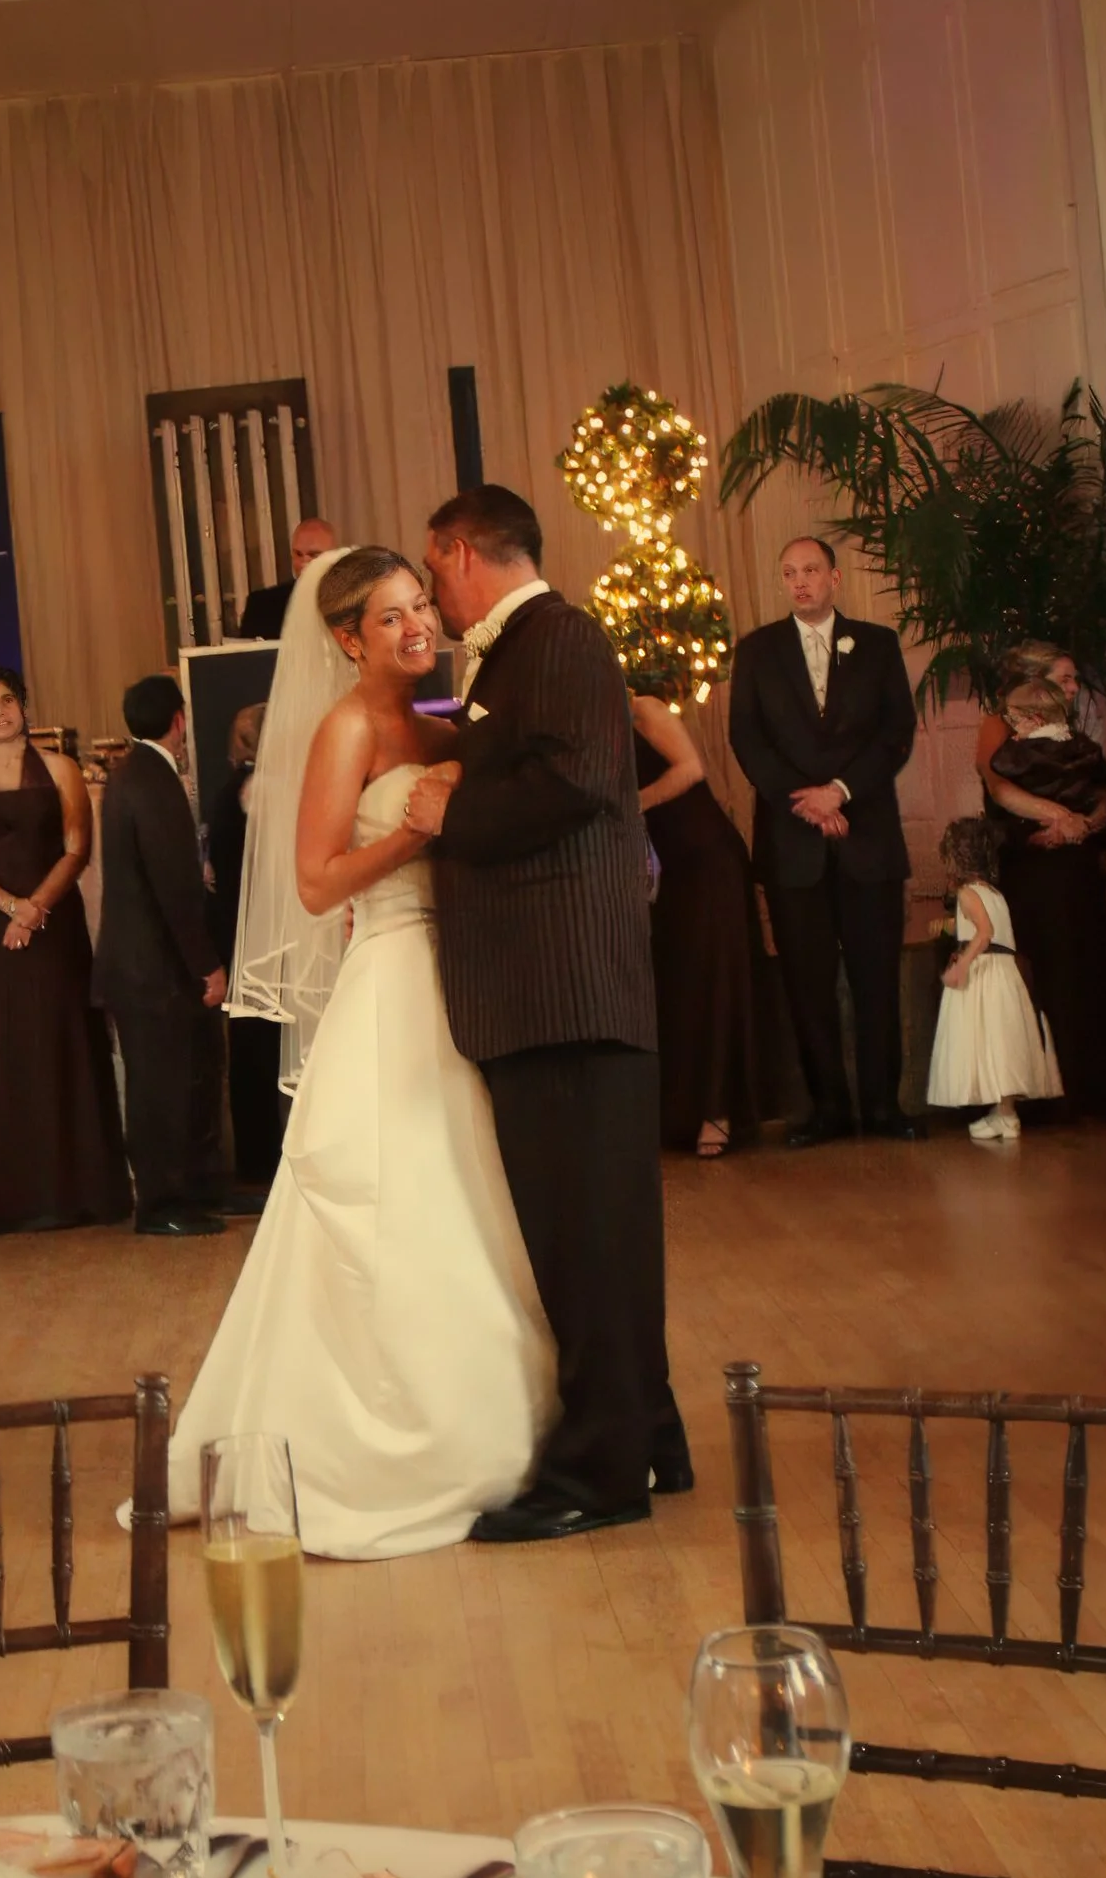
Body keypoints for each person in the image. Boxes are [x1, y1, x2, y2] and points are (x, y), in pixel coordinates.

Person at [168, 547, 554, 1556]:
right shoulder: (344, 727)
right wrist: (421, 833)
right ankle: (381, 1440)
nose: (417, 625)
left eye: (422, 604)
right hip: (390, 973)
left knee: (473, 1196)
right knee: (394, 1198)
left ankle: (496, 1414)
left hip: (457, 974)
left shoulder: (438, 714)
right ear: (346, 640)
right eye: (389, 617)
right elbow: (314, 882)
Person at [409, 484, 687, 1540]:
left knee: (586, 1237)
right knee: (602, 1234)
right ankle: (647, 1438)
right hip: (551, 990)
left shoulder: (557, 637)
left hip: (563, 986)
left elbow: (573, 780)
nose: (433, 593)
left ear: (459, 549)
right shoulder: (521, 650)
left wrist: (451, 809)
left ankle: (596, 1478)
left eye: (435, 571)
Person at [728, 535, 920, 1144]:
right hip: (793, 843)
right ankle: (828, 1109)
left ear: (835, 578)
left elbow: (896, 732)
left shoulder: (878, 644)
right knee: (807, 984)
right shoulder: (757, 650)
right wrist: (807, 803)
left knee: (875, 979)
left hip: (867, 836)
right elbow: (748, 740)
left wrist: (840, 791)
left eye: (811, 570)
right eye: (789, 573)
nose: (800, 582)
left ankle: (883, 1107)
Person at [0, 666, 130, 1237]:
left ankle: (77, 1193)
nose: (1, 713)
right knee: (0, 1050)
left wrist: (35, 908)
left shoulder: (61, 768)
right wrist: (10, 908)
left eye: (9, 701)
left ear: (24, 706)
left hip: (53, 926)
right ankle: (8, 1201)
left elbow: (77, 848)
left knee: (61, 1041)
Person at [978, 644, 1106, 1119]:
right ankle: (1052, 1097)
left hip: (1076, 866)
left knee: (1088, 969)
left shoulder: (1073, 734)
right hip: (1030, 868)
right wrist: (1061, 816)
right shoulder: (999, 725)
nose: (1073, 689)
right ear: (1034, 682)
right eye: (1064, 679)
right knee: (1047, 973)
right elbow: (999, 788)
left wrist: (1082, 826)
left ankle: (1099, 1091)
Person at [94, 674, 228, 1237]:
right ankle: (161, 1205)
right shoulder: (156, 780)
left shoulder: (129, 776)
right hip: (151, 969)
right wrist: (208, 965)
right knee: (159, 1088)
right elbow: (175, 886)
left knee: (165, 1083)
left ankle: (181, 1196)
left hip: (136, 966)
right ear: (178, 720)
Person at [632, 690, 759, 1157]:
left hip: (710, 859)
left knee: (715, 982)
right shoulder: (592, 728)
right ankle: (685, 1113)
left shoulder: (644, 708)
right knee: (682, 986)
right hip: (674, 870)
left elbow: (691, 769)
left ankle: (718, 1111)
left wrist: (631, 801)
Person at [926, 815, 1061, 1144]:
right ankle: (1005, 1113)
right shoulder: (994, 894)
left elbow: (984, 933)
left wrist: (962, 965)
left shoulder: (967, 894)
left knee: (987, 1041)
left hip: (985, 976)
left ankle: (1004, 1115)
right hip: (1004, 974)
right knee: (1004, 1043)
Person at [208, 702, 282, 1187]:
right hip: (257, 932)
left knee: (253, 1044)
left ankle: (257, 1158)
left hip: (238, 927)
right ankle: (260, 1160)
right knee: (261, 1047)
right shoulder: (257, 790)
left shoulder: (232, 788)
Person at [238, 517, 339, 641]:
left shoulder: (355, 601)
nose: (303, 563)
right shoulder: (261, 606)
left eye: (314, 555)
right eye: (298, 554)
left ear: (335, 557)